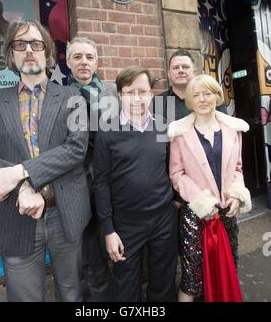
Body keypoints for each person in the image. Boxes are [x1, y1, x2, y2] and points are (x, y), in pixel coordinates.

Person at [0, 19, 91, 302]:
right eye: (20, 44)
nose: (28, 50)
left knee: (71, 293)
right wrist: (22, 186)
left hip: (66, 213)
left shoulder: (72, 96)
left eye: (36, 44)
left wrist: (21, 170)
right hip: (16, 213)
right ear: (11, 54)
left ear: (47, 52)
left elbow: (76, 149)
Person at [93, 66, 178, 302]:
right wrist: (109, 229)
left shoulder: (163, 127)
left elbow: (171, 166)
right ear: (120, 95)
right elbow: (100, 183)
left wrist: (176, 200)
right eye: (130, 92)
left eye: (143, 91)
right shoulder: (107, 131)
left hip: (163, 218)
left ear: (151, 94)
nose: (137, 98)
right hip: (126, 224)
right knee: (126, 286)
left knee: (163, 280)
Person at [168, 74, 252, 302]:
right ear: (190, 101)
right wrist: (202, 202)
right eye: (196, 95)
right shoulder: (179, 133)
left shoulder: (233, 129)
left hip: (227, 214)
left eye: (208, 93)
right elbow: (176, 174)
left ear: (217, 95)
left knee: (226, 270)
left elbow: (237, 168)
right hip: (195, 216)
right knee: (192, 279)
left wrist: (237, 195)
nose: (203, 99)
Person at [66, 36, 117, 302]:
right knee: (88, 242)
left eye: (89, 57)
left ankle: (125, 290)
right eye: (78, 57)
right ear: (68, 61)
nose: (84, 62)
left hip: (113, 177)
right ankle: (100, 297)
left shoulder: (113, 91)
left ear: (96, 61)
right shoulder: (60, 95)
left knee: (117, 232)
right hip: (79, 181)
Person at [155, 48, 227, 123]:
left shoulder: (212, 97)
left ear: (194, 72)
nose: (181, 70)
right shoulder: (158, 102)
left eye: (185, 67)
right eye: (176, 68)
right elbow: (153, 133)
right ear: (169, 74)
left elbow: (226, 128)